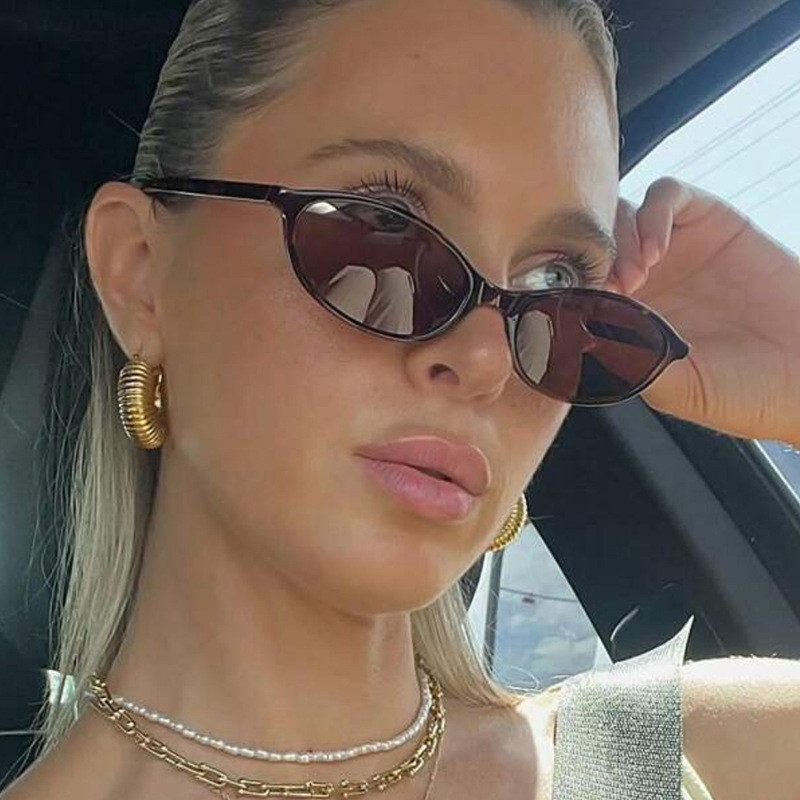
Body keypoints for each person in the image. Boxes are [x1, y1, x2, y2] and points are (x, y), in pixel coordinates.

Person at [4, 0, 800, 798]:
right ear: (141, 274)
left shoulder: (674, 757)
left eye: (554, 281)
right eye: (380, 230)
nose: (487, 359)